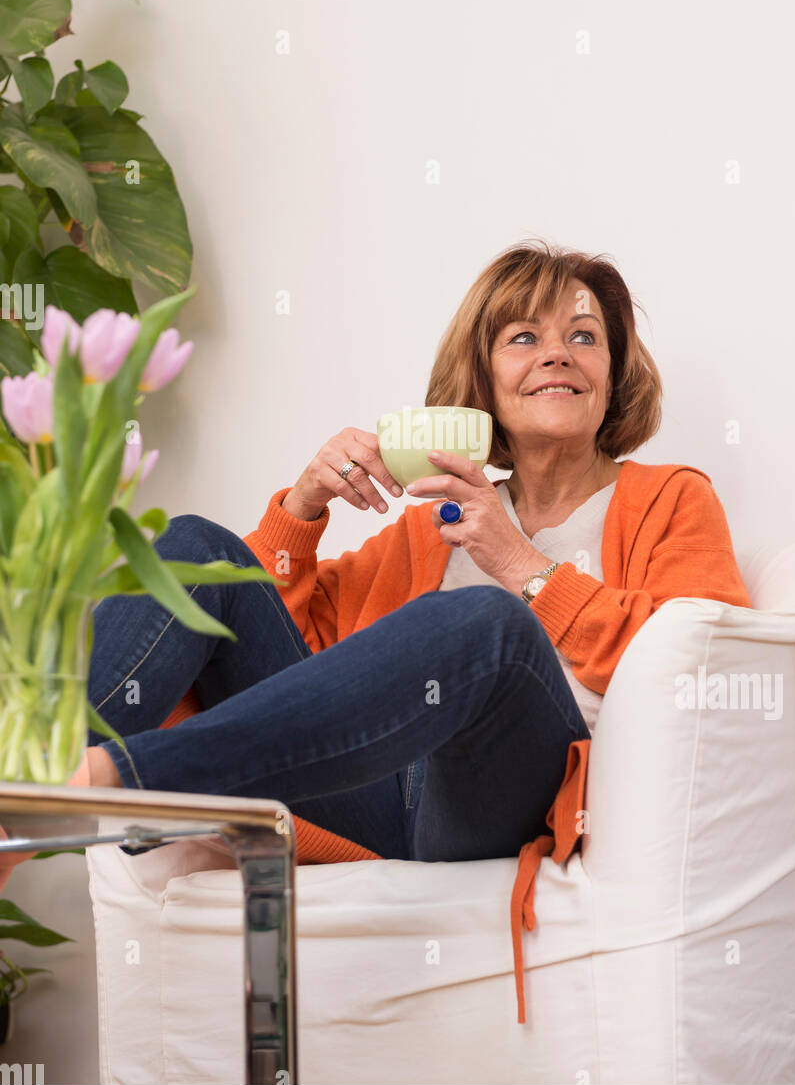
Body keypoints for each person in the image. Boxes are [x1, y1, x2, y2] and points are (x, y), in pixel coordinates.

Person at [0, 238, 752, 1020]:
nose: (556, 354)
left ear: (613, 375)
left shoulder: (669, 500)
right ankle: (26, 781)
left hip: (501, 801)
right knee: (195, 548)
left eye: (583, 336)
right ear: (484, 380)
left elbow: (703, 660)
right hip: (374, 797)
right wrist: (304, 508)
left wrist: (520, 564)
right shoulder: (434, 527)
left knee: (485, 622)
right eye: (523, 337)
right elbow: (290, 654)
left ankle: (103, 780)